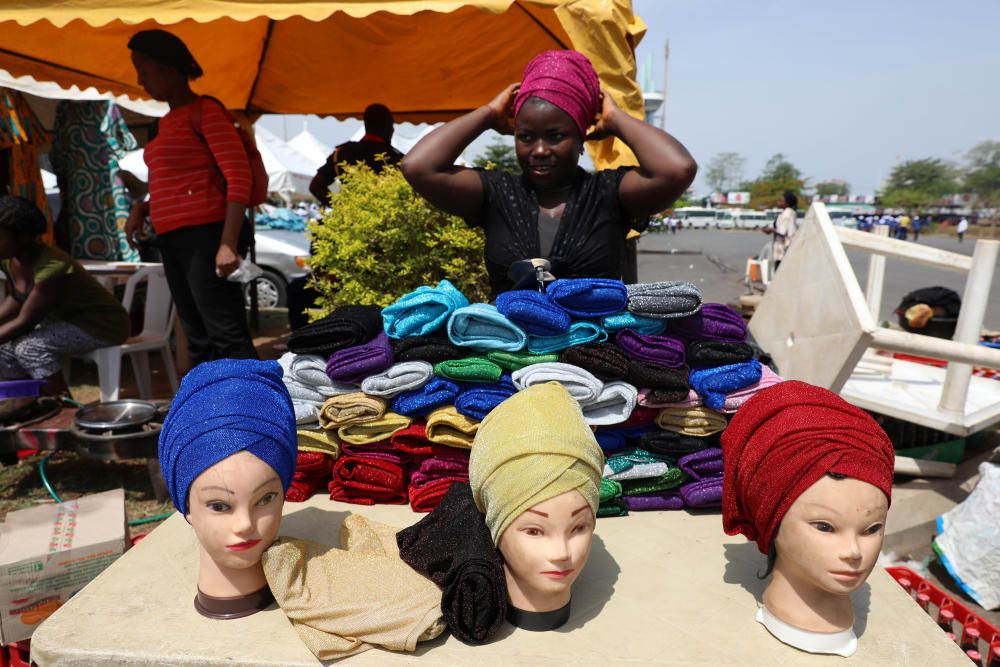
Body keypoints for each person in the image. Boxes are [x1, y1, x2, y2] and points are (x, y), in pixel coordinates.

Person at [400, 50, 697, 297]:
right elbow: (418, 166)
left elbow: (677, 169)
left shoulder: (609, 195)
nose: (539, 150)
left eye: (555, 136)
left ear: (580, 137)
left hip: (596, 358)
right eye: (526, 137)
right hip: (511, 358)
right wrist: (488, 114)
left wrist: (616, 119)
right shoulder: (497, 195)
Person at [126, 29, 258, 365]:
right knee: (196, 333)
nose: (140, 80)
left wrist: (227, 244)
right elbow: (179, 182)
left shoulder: (206, 112)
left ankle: (254, 408)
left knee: (224, 331)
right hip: (172, 238)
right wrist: (144, 207)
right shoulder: (162, 125)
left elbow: (238, 176)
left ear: (169, 68)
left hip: (208, 236)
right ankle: (207, 413)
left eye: (144, 69)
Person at [0, 196, 129, 395]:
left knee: (29, 348)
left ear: (24, 236)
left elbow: (26, 320)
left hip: (101, 325)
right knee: (5, 349)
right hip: (63, 325)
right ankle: (25, 401)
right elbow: (16, 299)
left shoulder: (54, 266)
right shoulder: (10, 260)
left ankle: (62, 404)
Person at [308, 104, 403, 203]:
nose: (393, 130)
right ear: (387, 126)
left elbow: (316, 187)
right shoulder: (396, 158)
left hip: (353, 217)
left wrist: (343, 207)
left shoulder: (341, 154)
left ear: (366, 124)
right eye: (392, 125)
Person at [762, 190, 797, 271]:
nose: (778, 202)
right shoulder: (790, 212)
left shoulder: (787, 213)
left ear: (787, 202)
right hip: (785, 247)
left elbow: (782, 232)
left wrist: (770, 230)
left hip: (784, 247)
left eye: (781, 200)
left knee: (780, 271)